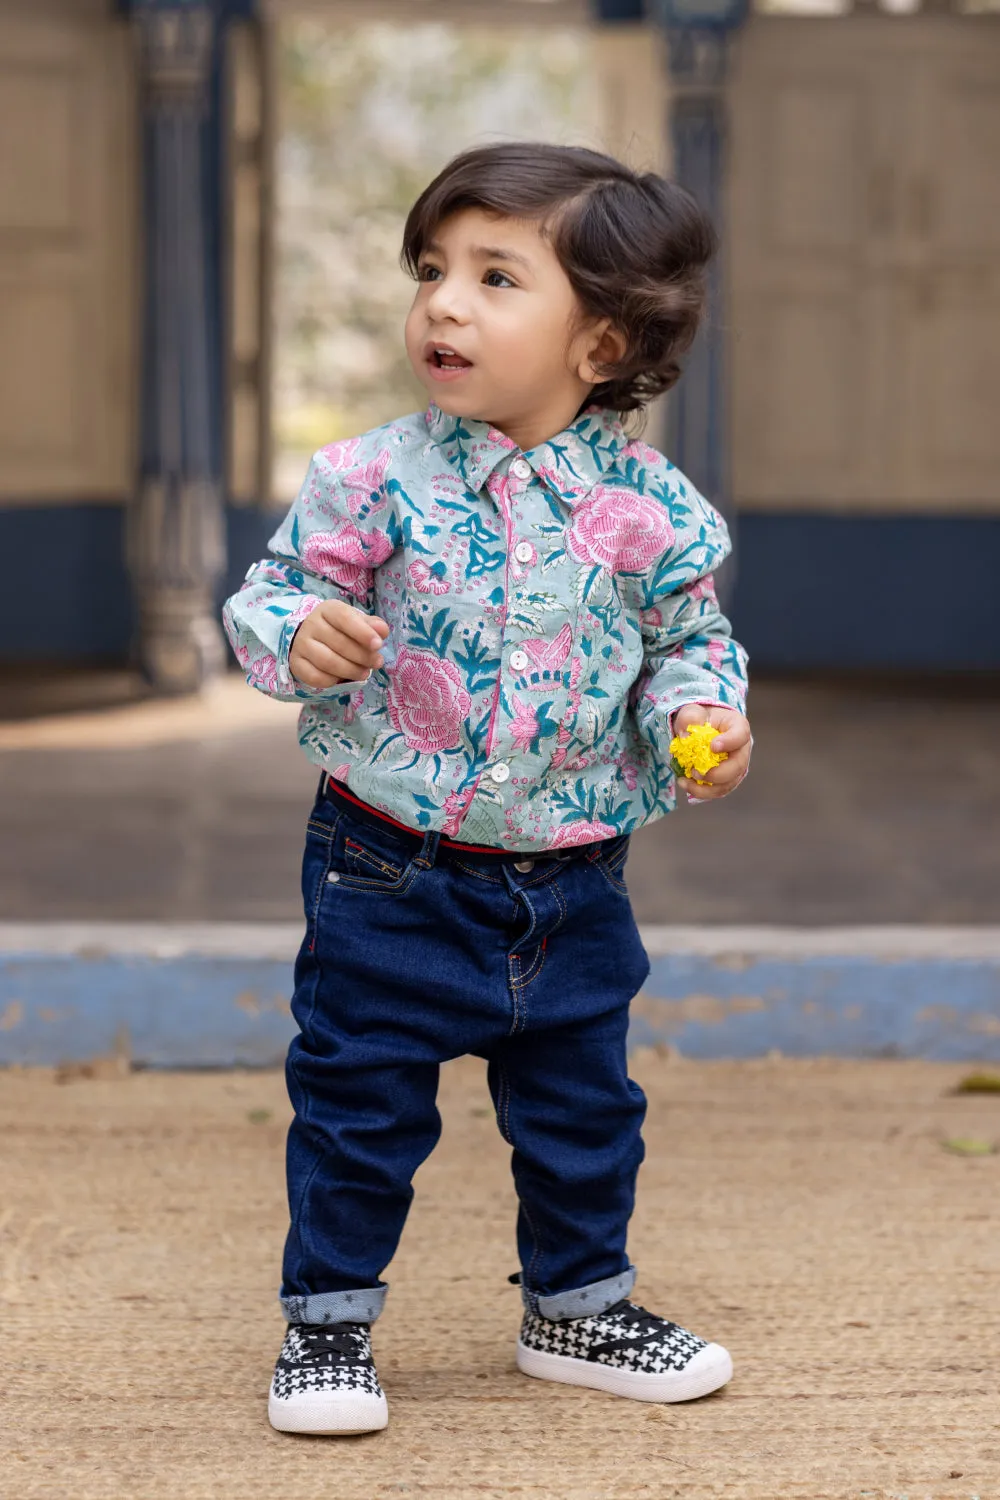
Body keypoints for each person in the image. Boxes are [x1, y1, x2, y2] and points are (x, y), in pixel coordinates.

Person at [223, 142, 751, 1436]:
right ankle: (327, 1328)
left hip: (574, 877)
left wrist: (704, 713)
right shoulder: (369, 478)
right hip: (386, 865)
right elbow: (276, 590)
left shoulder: (655, 510)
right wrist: (296, 635)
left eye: (496, 276)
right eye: (432, 270)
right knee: (357, 1106)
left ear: (602, 342)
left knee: (587, 1109)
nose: (443, 304)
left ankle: (576, 1306)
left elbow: (692, 639)